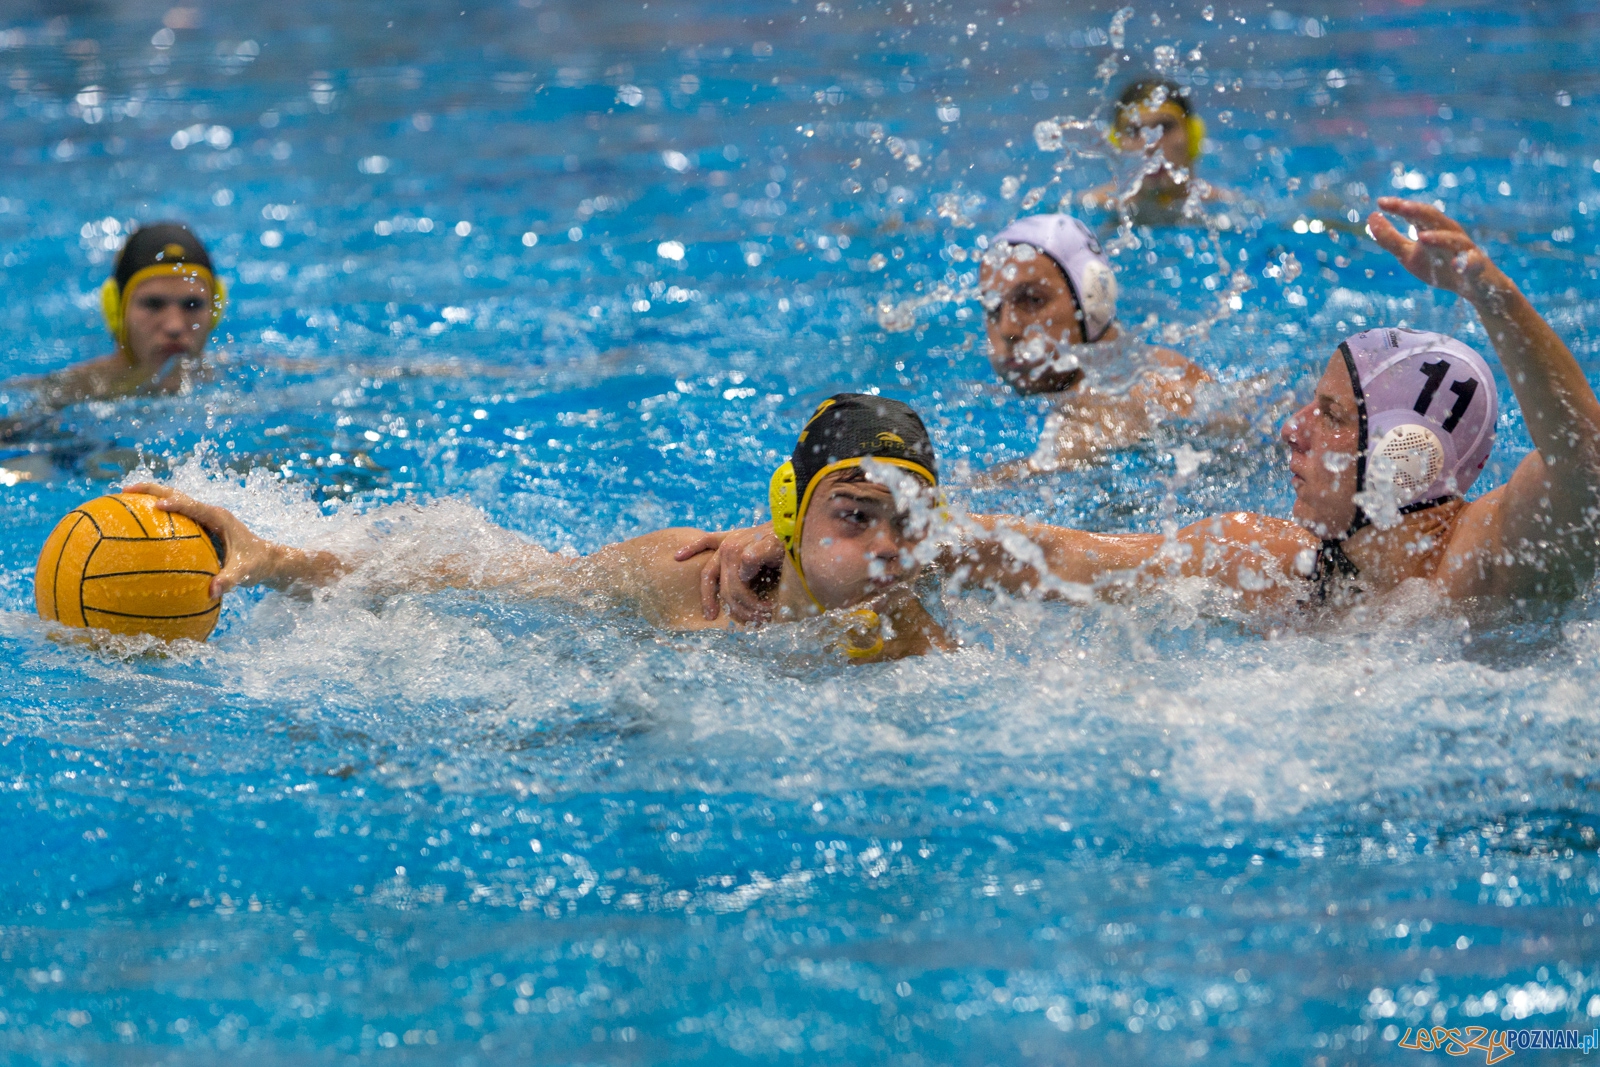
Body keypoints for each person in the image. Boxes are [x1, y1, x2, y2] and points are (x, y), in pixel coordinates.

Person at [686, 199, 1600, 625]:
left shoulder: (1491, 567)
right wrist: (823, 531)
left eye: (1328, 417)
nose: (1292, 430)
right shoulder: (1286, 562)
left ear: (1401, 456)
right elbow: (1075, 556)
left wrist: (1490, 295)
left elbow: (1586, 466)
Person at [129, 394, 954, 663]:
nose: (884, 546)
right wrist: (276, 558)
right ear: (789, 510)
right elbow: (476, 574)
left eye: (907, 520)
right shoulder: (686, 578)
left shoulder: (917, 634)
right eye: (851, 514)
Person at [977, 212, 1212, 476]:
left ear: (1092, 300)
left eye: (1032, 300)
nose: (1007, 329)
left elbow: (1061, 459)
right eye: (992, 307)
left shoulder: (1147, 383)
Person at [8, 221, 226, 416]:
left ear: (215, 311)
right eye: (153, 304)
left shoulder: (236, 380)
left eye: (192, 305)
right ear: (115, 310)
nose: (174, 326)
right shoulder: (62, 395)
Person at [1081, 77, 1230, 227]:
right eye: (1134, 131)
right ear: (1117, 144)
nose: (1151, 144)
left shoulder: (1227, 207)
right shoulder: (1089, 206)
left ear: (1193, 136)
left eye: (1165, 127)